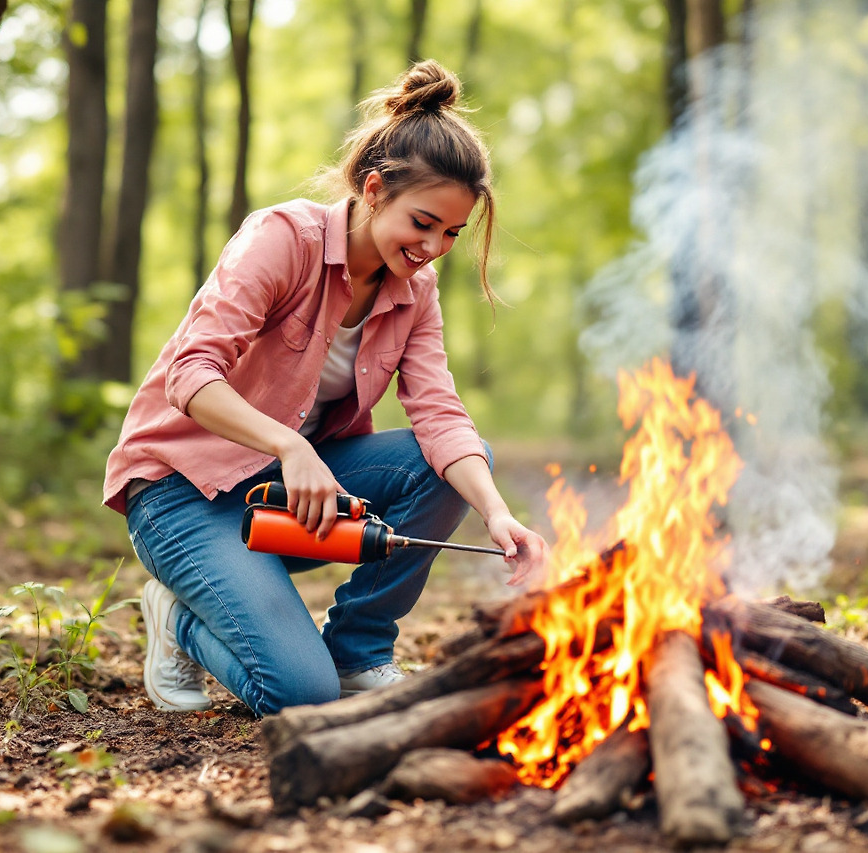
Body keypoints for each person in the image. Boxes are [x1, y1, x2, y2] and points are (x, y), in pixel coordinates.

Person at [103, 59, 550, 717]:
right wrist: (290, 446)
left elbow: (438, 410)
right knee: (296, 693)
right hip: (180, 493)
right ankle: (182, 622)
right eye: (423, 222)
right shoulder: (283, 240)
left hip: (286, 497)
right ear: (374, 189)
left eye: (452, 233)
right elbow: (190, 374)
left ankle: (357, 651)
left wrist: (497, 511)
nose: (434, 246)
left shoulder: (413, 291)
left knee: (451, 467)